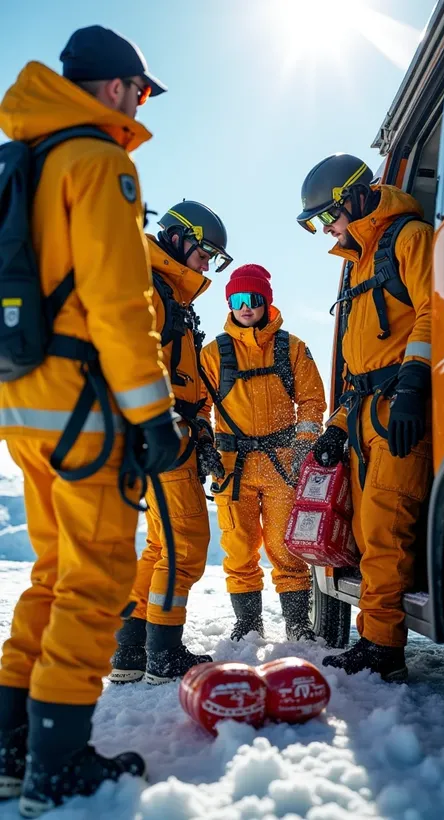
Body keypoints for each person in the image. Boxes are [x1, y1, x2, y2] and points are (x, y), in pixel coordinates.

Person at [0, 25, 181, 815]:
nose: (141, 105)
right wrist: (154, 412)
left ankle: (11, 747)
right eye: (141, 91)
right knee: (99, 575)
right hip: (83, 406)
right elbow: (118, 305)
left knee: (52, 572)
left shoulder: (23, 160)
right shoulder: (101, 163)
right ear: (115, 87)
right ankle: (58, 764)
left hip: (22, 404)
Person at [297, 153, 433, 682]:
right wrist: (334, 429)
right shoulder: (358, 259)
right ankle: (372, 638)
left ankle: (382, 650)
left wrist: (414, 390)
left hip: (402, 407)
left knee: (384, 528)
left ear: (353, 198)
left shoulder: (410, 237)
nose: (325, 229)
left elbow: (432, 311)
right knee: (361, 528)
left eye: (326, 216)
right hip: (362, 414)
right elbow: (356, 363)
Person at [110, 200, 232, 685]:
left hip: (170, 431)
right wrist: (163, 424)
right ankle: (163, 652)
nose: (208, 265)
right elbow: (134, 359)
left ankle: (130, 651)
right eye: (206, 254)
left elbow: (183, 376)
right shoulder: (151, 287)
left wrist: (199, 425)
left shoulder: (169, 292)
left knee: (160, 545)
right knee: (186, 545)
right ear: (180, 240)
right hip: (162, 432)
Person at [200, 264, 326, 641]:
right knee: (238, 548)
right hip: (232, 468)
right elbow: (198, 406)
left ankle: (297, 623)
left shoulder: (292, 348)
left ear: (266, 302)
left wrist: (305, 443)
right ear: (229, 303)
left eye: (252, 299)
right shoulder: (212, 354)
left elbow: (311, 400)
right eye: (237, 299)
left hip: (282, 465)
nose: (245, 307)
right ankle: (248, 623)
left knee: (286, 549)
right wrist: (204, 444)